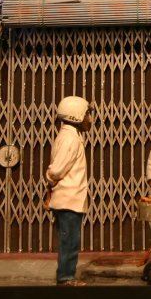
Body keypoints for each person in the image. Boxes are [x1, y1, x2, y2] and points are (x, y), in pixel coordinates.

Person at [46, 95, 93, 287]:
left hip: (70, 198)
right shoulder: (69, 139)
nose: (89, 119)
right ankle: (65, 277)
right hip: (68, 198)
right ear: (75, 115)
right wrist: (51, 179)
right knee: (70, 241)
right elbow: (56, 169)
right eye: (87, 114)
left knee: (71, 240)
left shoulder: (70, 136)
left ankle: (67, 276)